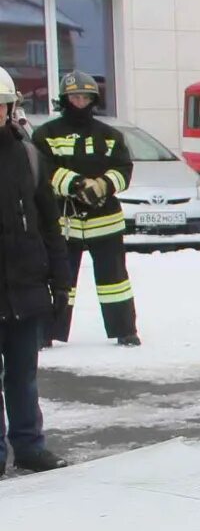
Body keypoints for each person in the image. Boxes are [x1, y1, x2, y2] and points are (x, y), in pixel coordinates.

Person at [35, 72, 137, 347]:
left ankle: (125, 330)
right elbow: (42, 170)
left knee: (115, 281)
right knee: (59, 279)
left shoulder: (111, 135)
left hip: (106, 221)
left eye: (85, 97)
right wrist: (76, 184)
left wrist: (103, 185)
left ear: (94, 99)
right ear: (65, 99)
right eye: (74, 96)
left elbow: (124, 170)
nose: (80, 101)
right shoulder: (46, 134)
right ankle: (47, 333)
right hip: (64, 221)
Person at [0, 67, 69, 475]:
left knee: (23, 375)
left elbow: (49, 225)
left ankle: (29, 446)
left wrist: (60, 283)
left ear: (10, 108)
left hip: (25, 290)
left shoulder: (28, 156)